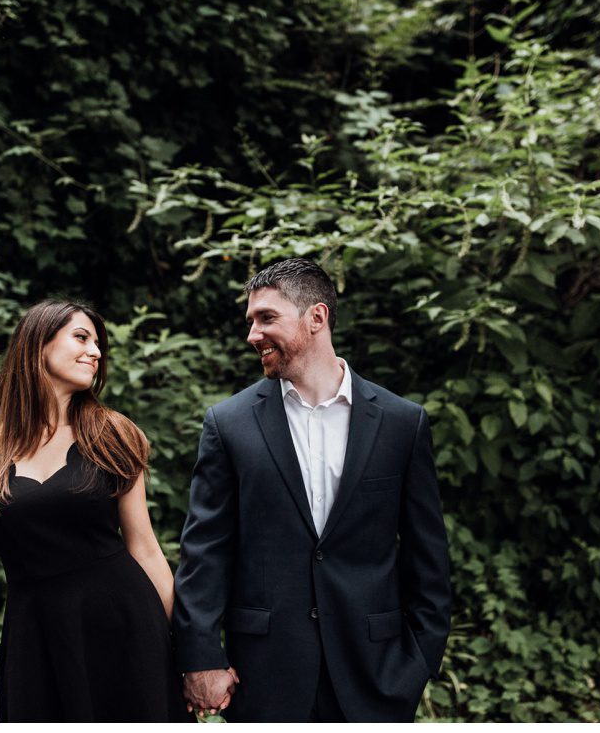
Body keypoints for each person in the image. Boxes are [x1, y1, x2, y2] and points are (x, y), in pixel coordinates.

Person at [172, 258, 452, 722]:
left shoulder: (403, 422)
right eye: (250, 322)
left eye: (267, 319)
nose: (252, 335)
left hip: (376, 676)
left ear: (316, 318)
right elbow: (205, 552)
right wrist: (201, 657)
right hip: (264, 674)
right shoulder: (229, 424)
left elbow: (428, 558)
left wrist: (418, 661)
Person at [0, 299, 189, 722]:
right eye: (81, 337)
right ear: (37, 345)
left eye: (98, 344)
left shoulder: (114, 434)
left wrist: (192, 653)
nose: (96, 352)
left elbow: (146, 549)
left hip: (127, 627)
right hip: (35, 638)